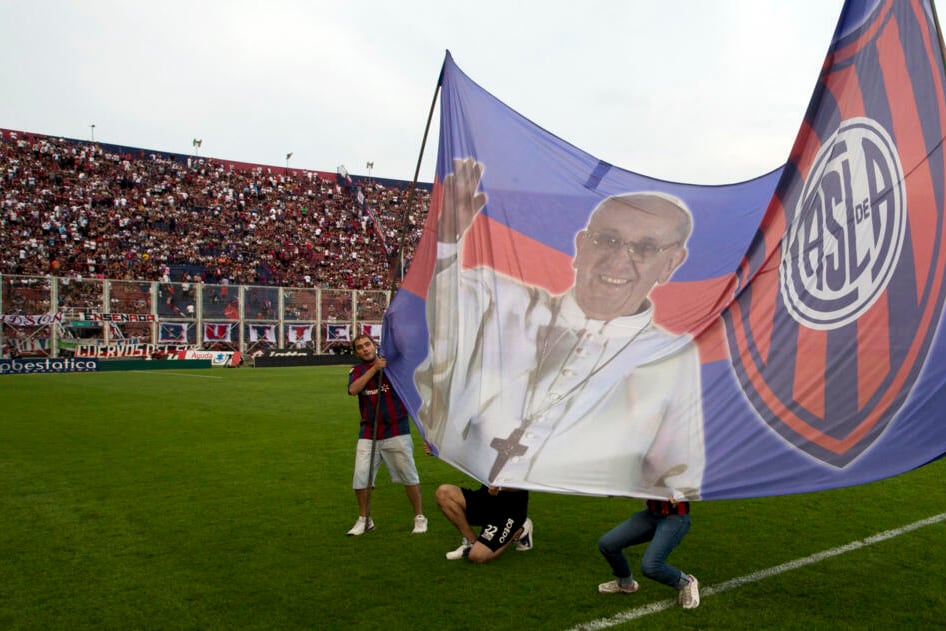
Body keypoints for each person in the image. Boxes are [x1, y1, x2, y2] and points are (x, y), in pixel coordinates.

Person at [414, 157, 705, 499]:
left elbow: (677, 472)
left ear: (671, 264)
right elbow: (444, 317)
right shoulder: (504, 302)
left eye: (645, 248)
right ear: (581, 245)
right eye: (607, 240)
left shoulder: (671, 357)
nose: (618, 260)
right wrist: (448, 240)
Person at [347, 334, 428, 536]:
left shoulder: (393, 367)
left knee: (408, 475)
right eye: (360, 347)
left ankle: (419, 516)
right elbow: (353, 390)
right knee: (361, 477)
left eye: (367, 345)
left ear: (374, 346)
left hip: (396, 430)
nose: (365, 349)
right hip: (368, 432)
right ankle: (364, 519)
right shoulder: (357, 371)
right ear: (356, 352)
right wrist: (374, 369)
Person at [597, 498, 700, 609]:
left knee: (651, 567)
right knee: (607, 544)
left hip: (676, 517)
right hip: (651, 514)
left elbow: (694, 485)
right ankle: (625, 584)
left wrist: (681, 494)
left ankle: (687, 582)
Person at [435, 482, 533, 563]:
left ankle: (520, 528)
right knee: (443, 492)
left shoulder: (522, 459)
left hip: (509, 509)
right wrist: (440, 456)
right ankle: (471, 542)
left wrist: (501, 487)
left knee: (477, 556)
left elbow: (525, 482)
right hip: (486, 498)